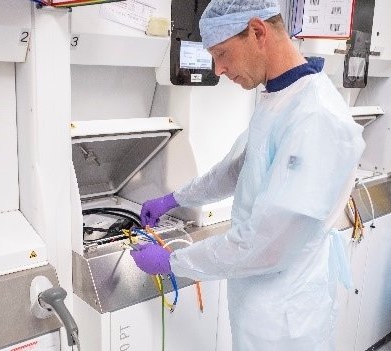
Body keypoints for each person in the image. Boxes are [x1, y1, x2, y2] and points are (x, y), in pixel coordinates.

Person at [131, 0, 365, 349]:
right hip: (258, 300)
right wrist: (174, 199)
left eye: (221, 53)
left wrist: (174, 261)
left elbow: (267, 243)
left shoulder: (317, 117)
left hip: (286, 315)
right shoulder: (279, 95)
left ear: (258, 32)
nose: (218, 69)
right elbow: (238, 168)